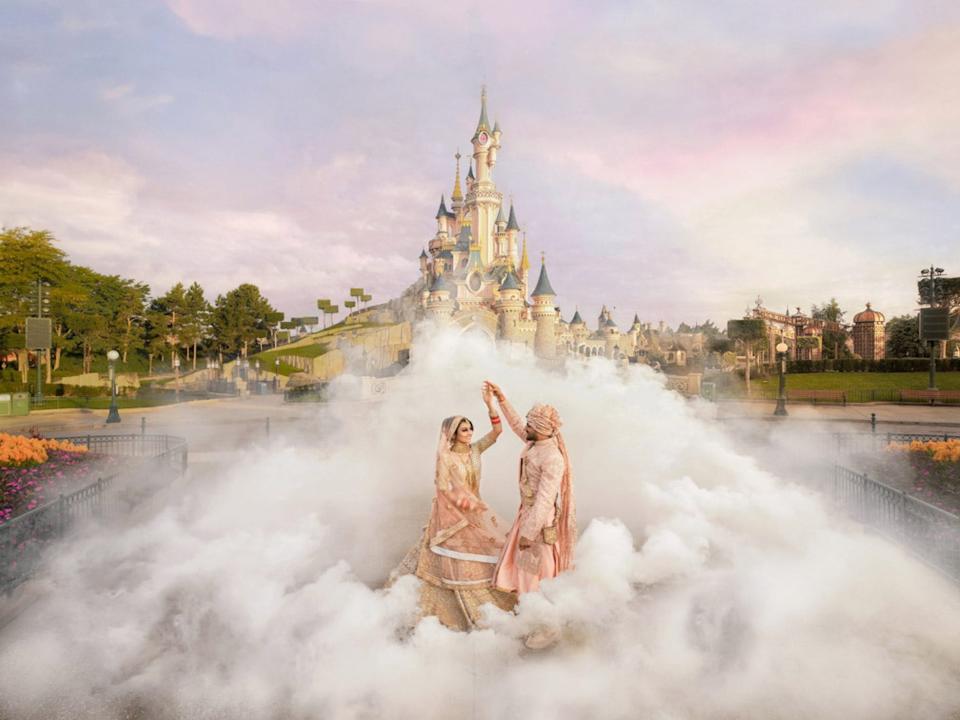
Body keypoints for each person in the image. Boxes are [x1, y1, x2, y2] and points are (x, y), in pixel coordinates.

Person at [405, 386, 516, 631]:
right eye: (464, 429)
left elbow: (497, 432)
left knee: (496, 545)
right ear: (452, 434)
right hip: (454, 511)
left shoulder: (475, 449)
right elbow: (443, 487)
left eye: (470, 428)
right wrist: (466, 505)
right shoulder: (446, 458)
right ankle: (455, 605)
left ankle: (496, 597)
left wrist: (490, 405)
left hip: (477, 508)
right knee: (453, 555)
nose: (469, 432)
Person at [484, 381, 576, 598]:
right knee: (525, 564)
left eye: (530, 426)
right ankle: (528, 602)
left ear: (542, 430)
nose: (525, 429)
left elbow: (545, 500)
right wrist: (501, 399)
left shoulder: (552, 458)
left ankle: (538, 606)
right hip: (526, 513)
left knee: (536, 565)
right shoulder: (535, 443)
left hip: (539, 521)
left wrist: (528, 533)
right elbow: (516, 424)